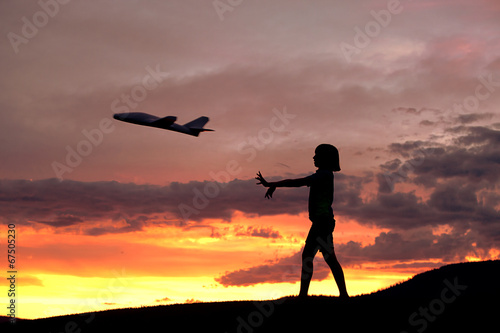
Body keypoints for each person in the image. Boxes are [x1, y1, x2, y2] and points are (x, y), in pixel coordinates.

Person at [256, 144, 348, 298]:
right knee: (327, 258)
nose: (313, 158)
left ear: (324, 158)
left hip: (322, 223)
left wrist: (273, 184)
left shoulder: (324, 175)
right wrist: (274, 185)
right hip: (322, 222)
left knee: (311, 257)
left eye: (316, 155)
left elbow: (297, 182)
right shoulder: (324, 175)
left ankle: (304, 296)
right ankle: (339, 295)